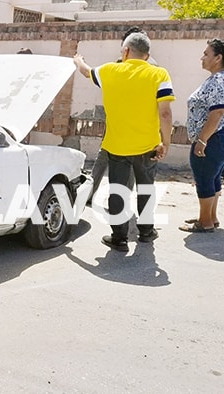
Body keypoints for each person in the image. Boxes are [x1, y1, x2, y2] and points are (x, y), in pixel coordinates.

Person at [74, 32, 174, 252]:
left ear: (126, 51)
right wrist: (165, 143)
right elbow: (165, 114)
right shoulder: (159, 74)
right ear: (147, 56)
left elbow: (85, 71)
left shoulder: (109, 70)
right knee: (146, 188)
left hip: (116, 146)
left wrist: (78, 60)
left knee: (118, 191)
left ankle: (119, 238)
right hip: (148, 147)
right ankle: (146, 232)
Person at [179, 39, 224, 233]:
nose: (202, 57)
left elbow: (218, 112)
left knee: (204, 177)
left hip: (215, 138)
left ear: (218, 58)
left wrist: (202, 140)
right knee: (213, 176)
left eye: (206, 54)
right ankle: (210, 217)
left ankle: (204, 223)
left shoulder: (219, 80)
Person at [88, 27, 154, 203]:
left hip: (123, 125)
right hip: (135, 127)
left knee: (113, 160)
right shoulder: (152, 67)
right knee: (129, 165)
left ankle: (112, 201)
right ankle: (114, 201)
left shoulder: (121, 66)